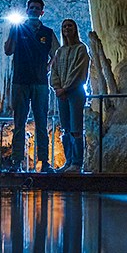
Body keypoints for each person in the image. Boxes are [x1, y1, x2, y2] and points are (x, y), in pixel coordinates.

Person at [4, 0, 58, 171]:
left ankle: (44, 162)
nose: (34, 11)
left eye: (37, 9)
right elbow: (8, 51)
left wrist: (47, 68)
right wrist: (13, 31)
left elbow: (57, 54)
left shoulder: (48, 33)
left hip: (40, 82)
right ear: (27, 11)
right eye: (31, 8)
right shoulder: (18, 29)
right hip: (20, 81)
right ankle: (17, 161)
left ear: (42, 13)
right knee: (19, 122)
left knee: (41, 122)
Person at [49, 19, 90, 172]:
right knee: (66, 128)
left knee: (76, 128)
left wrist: (65, 88)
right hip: (62, 94)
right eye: (64, 26)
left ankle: (77, 163)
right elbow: (54, 71)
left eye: (70, 26)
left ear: (75, 29)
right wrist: (57, 87)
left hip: (75, 92)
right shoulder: (60, 51)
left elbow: (79, 71)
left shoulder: (81, 49)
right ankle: (69, 161)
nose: (67, 28)